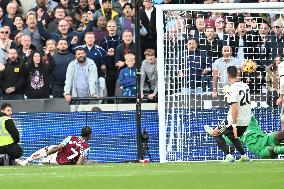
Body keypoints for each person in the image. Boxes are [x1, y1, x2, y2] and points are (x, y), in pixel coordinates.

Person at [205, 66, 251, 162]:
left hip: (234, 120)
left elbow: (234, 109)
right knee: (232, 137)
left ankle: (228, 156)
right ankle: (244, 156)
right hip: (246, 120)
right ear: (237, 73)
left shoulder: (232, 89)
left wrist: (233, 124)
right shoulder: (246, 86)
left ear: (227, 75)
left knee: (215, 133)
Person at [18, 126, 92, 166]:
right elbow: (78, 164)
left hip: (56, 156)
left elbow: (58, 148)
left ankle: (25, 161)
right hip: (62, 163)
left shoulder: (71, 137)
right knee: (42, 162)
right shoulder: (86, 147)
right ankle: (29, 161)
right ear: (89, 135)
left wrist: (44, 154)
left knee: (42, 153)